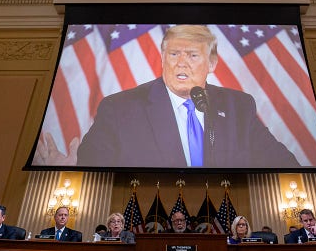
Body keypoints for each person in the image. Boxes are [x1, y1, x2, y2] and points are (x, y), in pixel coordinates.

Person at [75, 25, 300, 168]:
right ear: (163, 58)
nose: (181, 63)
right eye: (174, 54)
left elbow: (284, 163)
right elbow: (90, 164)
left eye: (192, 55)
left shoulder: (238, 107)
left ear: (212, 63)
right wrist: (71, 168)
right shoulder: (119, 108)